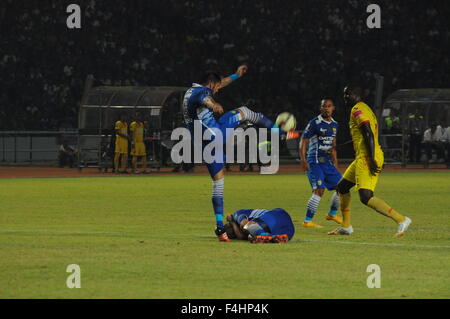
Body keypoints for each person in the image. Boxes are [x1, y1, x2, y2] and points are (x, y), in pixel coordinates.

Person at [183, 65, 299, 242]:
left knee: (218, 182)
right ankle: (281, 133)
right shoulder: (203, 92)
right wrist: (214, 105)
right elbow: (207, 98)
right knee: (245, 111)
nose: (218, 90)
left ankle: (220, 227)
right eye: (217, 87)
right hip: (216, 135)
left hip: (203, 143)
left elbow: (220, 85)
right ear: (211, 84)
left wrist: (236, 76)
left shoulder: (190, 92)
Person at [328, 86, 411, 237]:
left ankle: (402, 220)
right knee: (342, 187)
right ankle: (346, 227)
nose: (345, 96)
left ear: (356, 94)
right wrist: (336, 146)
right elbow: (362, 135)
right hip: (363, 156)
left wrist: (372, 158)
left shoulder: (357, 109)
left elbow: (368, 133)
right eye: (344, 94)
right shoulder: (365, 109)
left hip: (367, 156)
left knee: (366, 196)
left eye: (348, 93)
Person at [299, 98, 342, 228]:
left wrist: (335, 163)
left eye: (329, 106)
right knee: (319, 190)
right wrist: (303, 160)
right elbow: (303, 141)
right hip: (314, 161)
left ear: (333, 108)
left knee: (342, 187)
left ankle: (332, 214)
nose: (326, 108)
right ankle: (307, 221)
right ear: (321, 108)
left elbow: (333, 147)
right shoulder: (314, 123)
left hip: (326, 162)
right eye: (324, 106)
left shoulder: (335, 125)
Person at [223, 208, 295, 243]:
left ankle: (266, 236)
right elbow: (241, 237)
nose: (236, 234)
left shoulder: (237, 214)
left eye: (233, 232)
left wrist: (232, 221)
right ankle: (272, 237)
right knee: (250, 236)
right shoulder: (250, 233)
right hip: (288, 230)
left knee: (246, 226)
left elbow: (243, 223)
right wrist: (233, 223)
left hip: (275, 216)